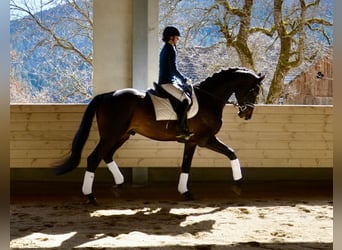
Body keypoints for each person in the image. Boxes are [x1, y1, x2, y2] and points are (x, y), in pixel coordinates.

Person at [158, 26, 193, 140]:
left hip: (169, 80)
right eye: (177, 37)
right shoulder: (170, 49)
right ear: (171, 38)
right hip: (166, 82)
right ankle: (180, 130)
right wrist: (184, 79)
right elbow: (173, 69)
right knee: (186, 100)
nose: (178, 39)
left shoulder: (166, 48)